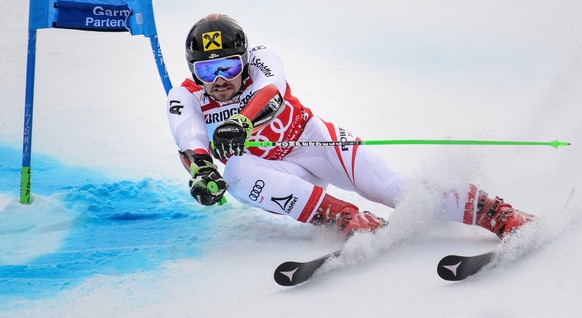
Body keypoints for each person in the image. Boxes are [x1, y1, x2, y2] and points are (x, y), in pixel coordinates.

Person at [166, 13, 534, 238]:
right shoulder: (185, 97)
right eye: (205, 71)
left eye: (228, 67)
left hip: (314, 141)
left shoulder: (263, 58)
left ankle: (495, 213)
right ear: (191, 70)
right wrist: (203, 173)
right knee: (235, 171)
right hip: (280, 173)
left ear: (244, 61)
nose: (218, 80)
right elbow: (190, 139)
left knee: (390, 187)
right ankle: (348, 219)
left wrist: (241, 123)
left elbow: (272, 92)